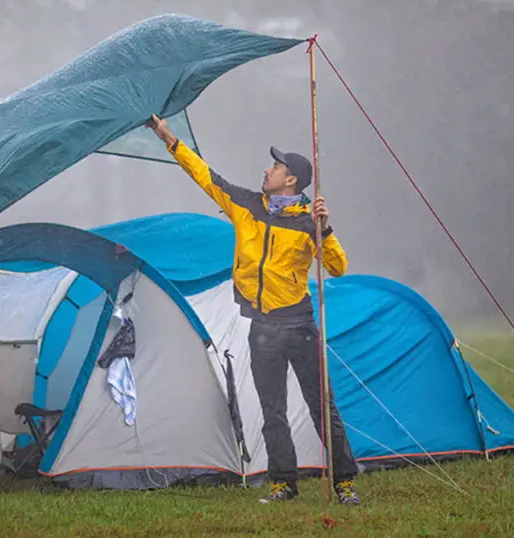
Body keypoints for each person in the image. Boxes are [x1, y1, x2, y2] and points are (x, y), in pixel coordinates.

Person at [145, 114, 360, 505]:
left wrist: (324, 230)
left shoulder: (309, 220)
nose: (268, 170)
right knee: (272, 410)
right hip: (262, 327)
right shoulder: (246, 205)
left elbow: (338, 267)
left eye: (276, 166)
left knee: (322, 409)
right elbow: (205, 176)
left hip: (299, 326)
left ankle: (344, 483)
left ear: (291, 179)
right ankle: (284, 483)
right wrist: (169, 139)